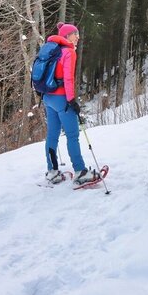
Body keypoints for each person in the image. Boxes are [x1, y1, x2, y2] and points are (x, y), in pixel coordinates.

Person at [43, 22, 98, 185]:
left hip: (48, 97)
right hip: (62, 99)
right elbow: (68, 78)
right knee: (73, 135)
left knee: (52, 135)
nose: (78, 37)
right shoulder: (68, 52)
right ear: (67, 36)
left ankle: (52, 171)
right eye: (75, 34)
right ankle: (80, 171)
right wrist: (71, 100)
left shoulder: (52, 50)